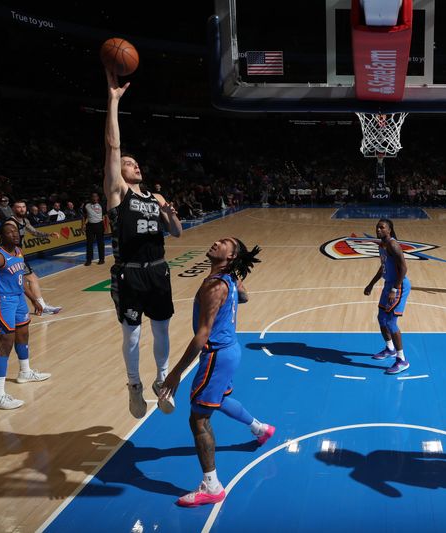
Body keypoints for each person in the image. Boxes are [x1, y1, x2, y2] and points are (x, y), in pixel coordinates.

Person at [159, 237, 275, 507]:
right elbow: (244, 296)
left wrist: (175, 373)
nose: (216, 242)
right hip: (230, 350)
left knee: (198, 419)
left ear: (231, 256)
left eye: (224, 243)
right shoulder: (229, 279)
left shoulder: (214, 285)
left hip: (216, 354)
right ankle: (261, 429)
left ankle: (211, 487)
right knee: (218, 399)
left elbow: (202, 334)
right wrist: (233, 287)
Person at [104, 68, 183, 418]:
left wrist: (170, 213)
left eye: (136, 162)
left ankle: (161, 380)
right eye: (127, 163)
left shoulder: (156, 195)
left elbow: (178, 232)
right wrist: (114, 101)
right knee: (133, 336)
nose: (134, 165)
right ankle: (134, 385)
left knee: (163, 329)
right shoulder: (117, 193)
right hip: (130, 274)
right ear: (118, 173)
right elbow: (113, 145)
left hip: (159, 270)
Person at [0, 221, 51, 409]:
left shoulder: (18, 251)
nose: (15, 234)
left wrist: (33, 298)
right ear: (1, 237)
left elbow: (20, 280)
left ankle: (25, 372)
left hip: (18, 298)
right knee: (5, 343)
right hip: (2, 301)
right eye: (9, 232)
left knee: (24, 334)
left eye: (16, 231)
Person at [364, 218, 411, 375]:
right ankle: (390, 348)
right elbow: (383, 266)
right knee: (381, 318)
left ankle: (402, 360)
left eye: (382, 228)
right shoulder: (381, 245)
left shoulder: (392, 244)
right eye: (377, 227)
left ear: (389, 230)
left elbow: (404, 268)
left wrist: (395, 289)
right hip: (388, 284)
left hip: (399, 285)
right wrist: (371, 284)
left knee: (391, 322)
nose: (378, 230)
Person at [8, 200, 64, 315]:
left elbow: (34, 232)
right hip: (11, 256)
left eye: (23, 207)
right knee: (25, 281)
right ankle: (41, 306)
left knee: (28, 280)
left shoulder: (25, 220)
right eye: (18, 207)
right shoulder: (10, 224)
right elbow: (6, 242)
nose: (22, 209)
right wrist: (12, 256)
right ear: (13, 209)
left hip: (18, 255)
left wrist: (49, 235)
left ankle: (41, 306)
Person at [82, 192, 107, 266]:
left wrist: (106, 227)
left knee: (100, 243)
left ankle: (101, 259)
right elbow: (84, 216)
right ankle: (89, 260)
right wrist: (83, 225)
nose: (95, 198)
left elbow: (105, 216)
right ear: (91, 198)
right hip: (90, 226)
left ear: (98, 198)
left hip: (99, 225)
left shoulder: (101, 205)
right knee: (89, 243)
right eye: (93, 196)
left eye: (96, 196)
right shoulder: (86, 205)